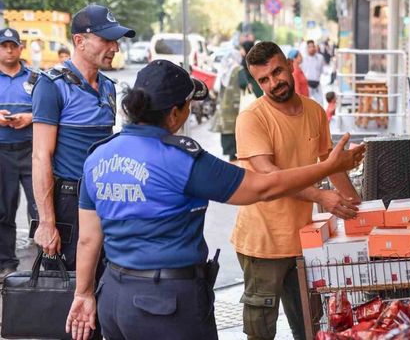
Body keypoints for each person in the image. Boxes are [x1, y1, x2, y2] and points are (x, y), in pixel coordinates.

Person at [64, 59, 365, 340]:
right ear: (174, 113)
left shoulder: (98, 155)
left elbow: (89, 240)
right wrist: (329, 166)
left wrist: (83, 294)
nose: (189, 113)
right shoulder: (181, 160)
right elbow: (263, 188)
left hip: (113, 299)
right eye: (188, 106)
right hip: (167, 305)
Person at [233, 41, 362, 340]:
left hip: (305, 240)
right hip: (262, 242)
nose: (273, 83)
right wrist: (320, 196)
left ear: (291, 65)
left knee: (310, 326)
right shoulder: (252, 118)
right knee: (261, 331)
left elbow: (330, 164)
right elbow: (269, 175)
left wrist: (358, 207)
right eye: (263, 79)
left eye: (277, 71)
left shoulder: (314, 111)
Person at [31, 4, 135, 271]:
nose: (115, 48)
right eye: (107, 40)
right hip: (69, 202)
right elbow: (41, 155)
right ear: (80, 41)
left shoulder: (109, 87)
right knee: (69, 290)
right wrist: (46, 222)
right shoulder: (52, 86)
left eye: (116, 41)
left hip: (106, 199)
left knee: (107, 283)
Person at [0, 28, 38, 280]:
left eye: (13, 45)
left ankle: (45, 263)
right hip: (2, 152)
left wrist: (30, 117)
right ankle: (7, 264)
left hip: (31, 150)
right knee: (4, 211)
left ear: (21, 48)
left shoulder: (35, 79)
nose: (9, 50)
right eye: (4, 46)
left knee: (41, 209)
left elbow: (50, 111)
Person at [213, 50, 244, 161]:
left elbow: (216, 88)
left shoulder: (224, 71)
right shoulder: (238, 70)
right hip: (236, 108)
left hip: (224, 109)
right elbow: (244, 84)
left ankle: (231, 158)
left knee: (228, 133)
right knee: (235, 135)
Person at [300, 39, 325, 105]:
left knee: (321, 104)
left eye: (313, 46)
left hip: (317, 84)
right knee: (306, 105)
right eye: (310, 47)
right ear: (307, 48)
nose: (312, 48)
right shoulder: (303, 59)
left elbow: (321, 70)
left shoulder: (320, 58)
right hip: (307, 84)